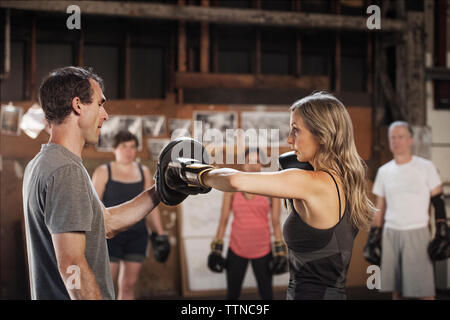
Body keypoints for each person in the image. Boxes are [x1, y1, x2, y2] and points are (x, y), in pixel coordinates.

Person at [157, 92, 376, 300]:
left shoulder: (314, 183)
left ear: (322, 135)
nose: (290, 139)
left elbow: (235, 180)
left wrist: (187, 172)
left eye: (295, 130)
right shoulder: (344, 180)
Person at [22, 66, 160, 300]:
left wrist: (161, 192)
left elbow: (106, 223)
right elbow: (71, 264)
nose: (105, 115)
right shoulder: (65, 171)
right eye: (99, 104)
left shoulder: (41, 163)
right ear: (77, 105)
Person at [369, 121, 447, 300]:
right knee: (397, 290)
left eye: (401, 137)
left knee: (425, 291)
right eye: (392, 137)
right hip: (391, 233)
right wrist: (374, 235)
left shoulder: (426, 167)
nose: (396, 141)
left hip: (417, 232)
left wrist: (442, 229)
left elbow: (438, 200)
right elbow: (380, 207)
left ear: (411, 140)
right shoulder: (384, 171)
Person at [92, 130, 170, 300]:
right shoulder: (103, 171)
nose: (128, 151)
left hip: (137, 235)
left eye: (132, 147)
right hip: (109, 235)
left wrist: (160, 233)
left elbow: (152, 205)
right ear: (115, 149)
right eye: (124, 147)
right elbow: (93, 206)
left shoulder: (144, 172)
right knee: (105, 285)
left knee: (129, 284)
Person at [208, 147, 282, 300]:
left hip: (263, 250)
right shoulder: (232, 188)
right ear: (243, 164)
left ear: (262, 164)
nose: (253, 165)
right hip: (236, 249)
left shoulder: (271, 188)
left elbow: (275, 223)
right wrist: (216, 250)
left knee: (267, 295)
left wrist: (281, 252)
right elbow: (223, 221)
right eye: (249, 161)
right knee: (232, 295)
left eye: (257, 161)